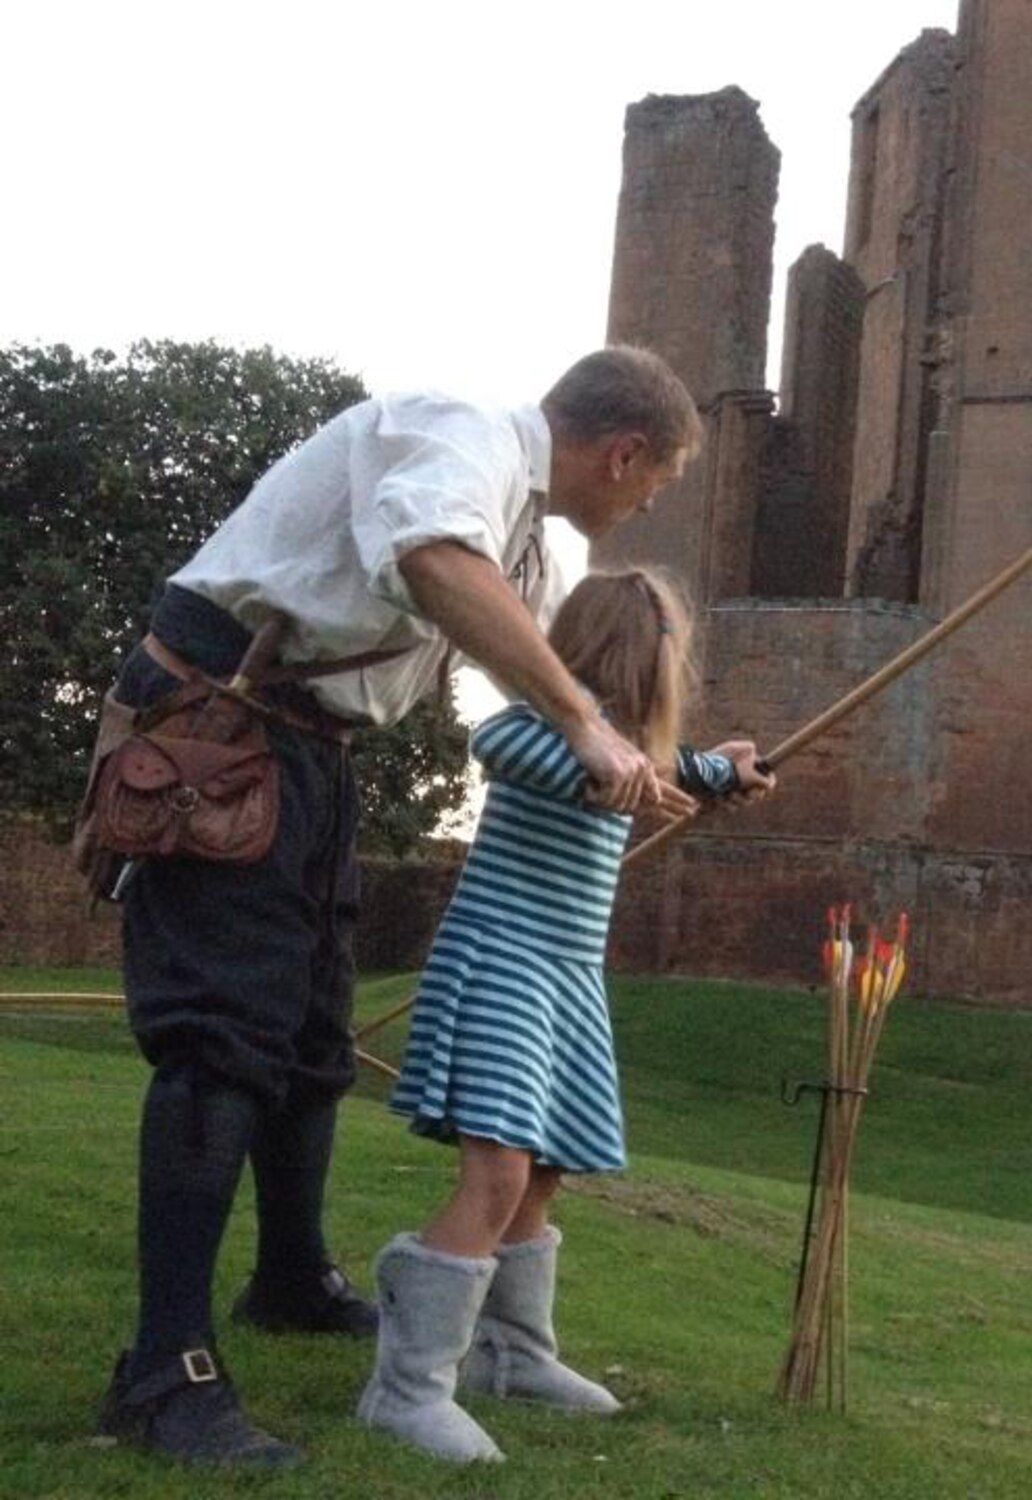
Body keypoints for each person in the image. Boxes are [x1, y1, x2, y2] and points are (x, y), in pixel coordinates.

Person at [94, 346, 772, 1468]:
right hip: (218, 727)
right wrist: (582, 726)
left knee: (310, 1044)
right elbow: (437, 562)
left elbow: (563, 687)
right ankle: (164, 1370)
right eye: (653, 483)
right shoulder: (461, 433)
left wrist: (690, 768)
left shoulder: (525, 542)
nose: (645, 505)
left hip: (307, 751)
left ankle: (291, 1279)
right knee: (220, 1042)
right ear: (623, 453)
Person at [357, 568, 742, 1463]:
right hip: (503, 966)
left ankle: (513, 1355)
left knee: (544, 1170)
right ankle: (406, 1389)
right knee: (497, 1175)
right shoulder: (546, 726)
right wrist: (613, 766)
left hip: (565, 979)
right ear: (636, 654)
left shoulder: (625, 747)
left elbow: (664, 765)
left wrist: (724, 770)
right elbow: (502, 743)